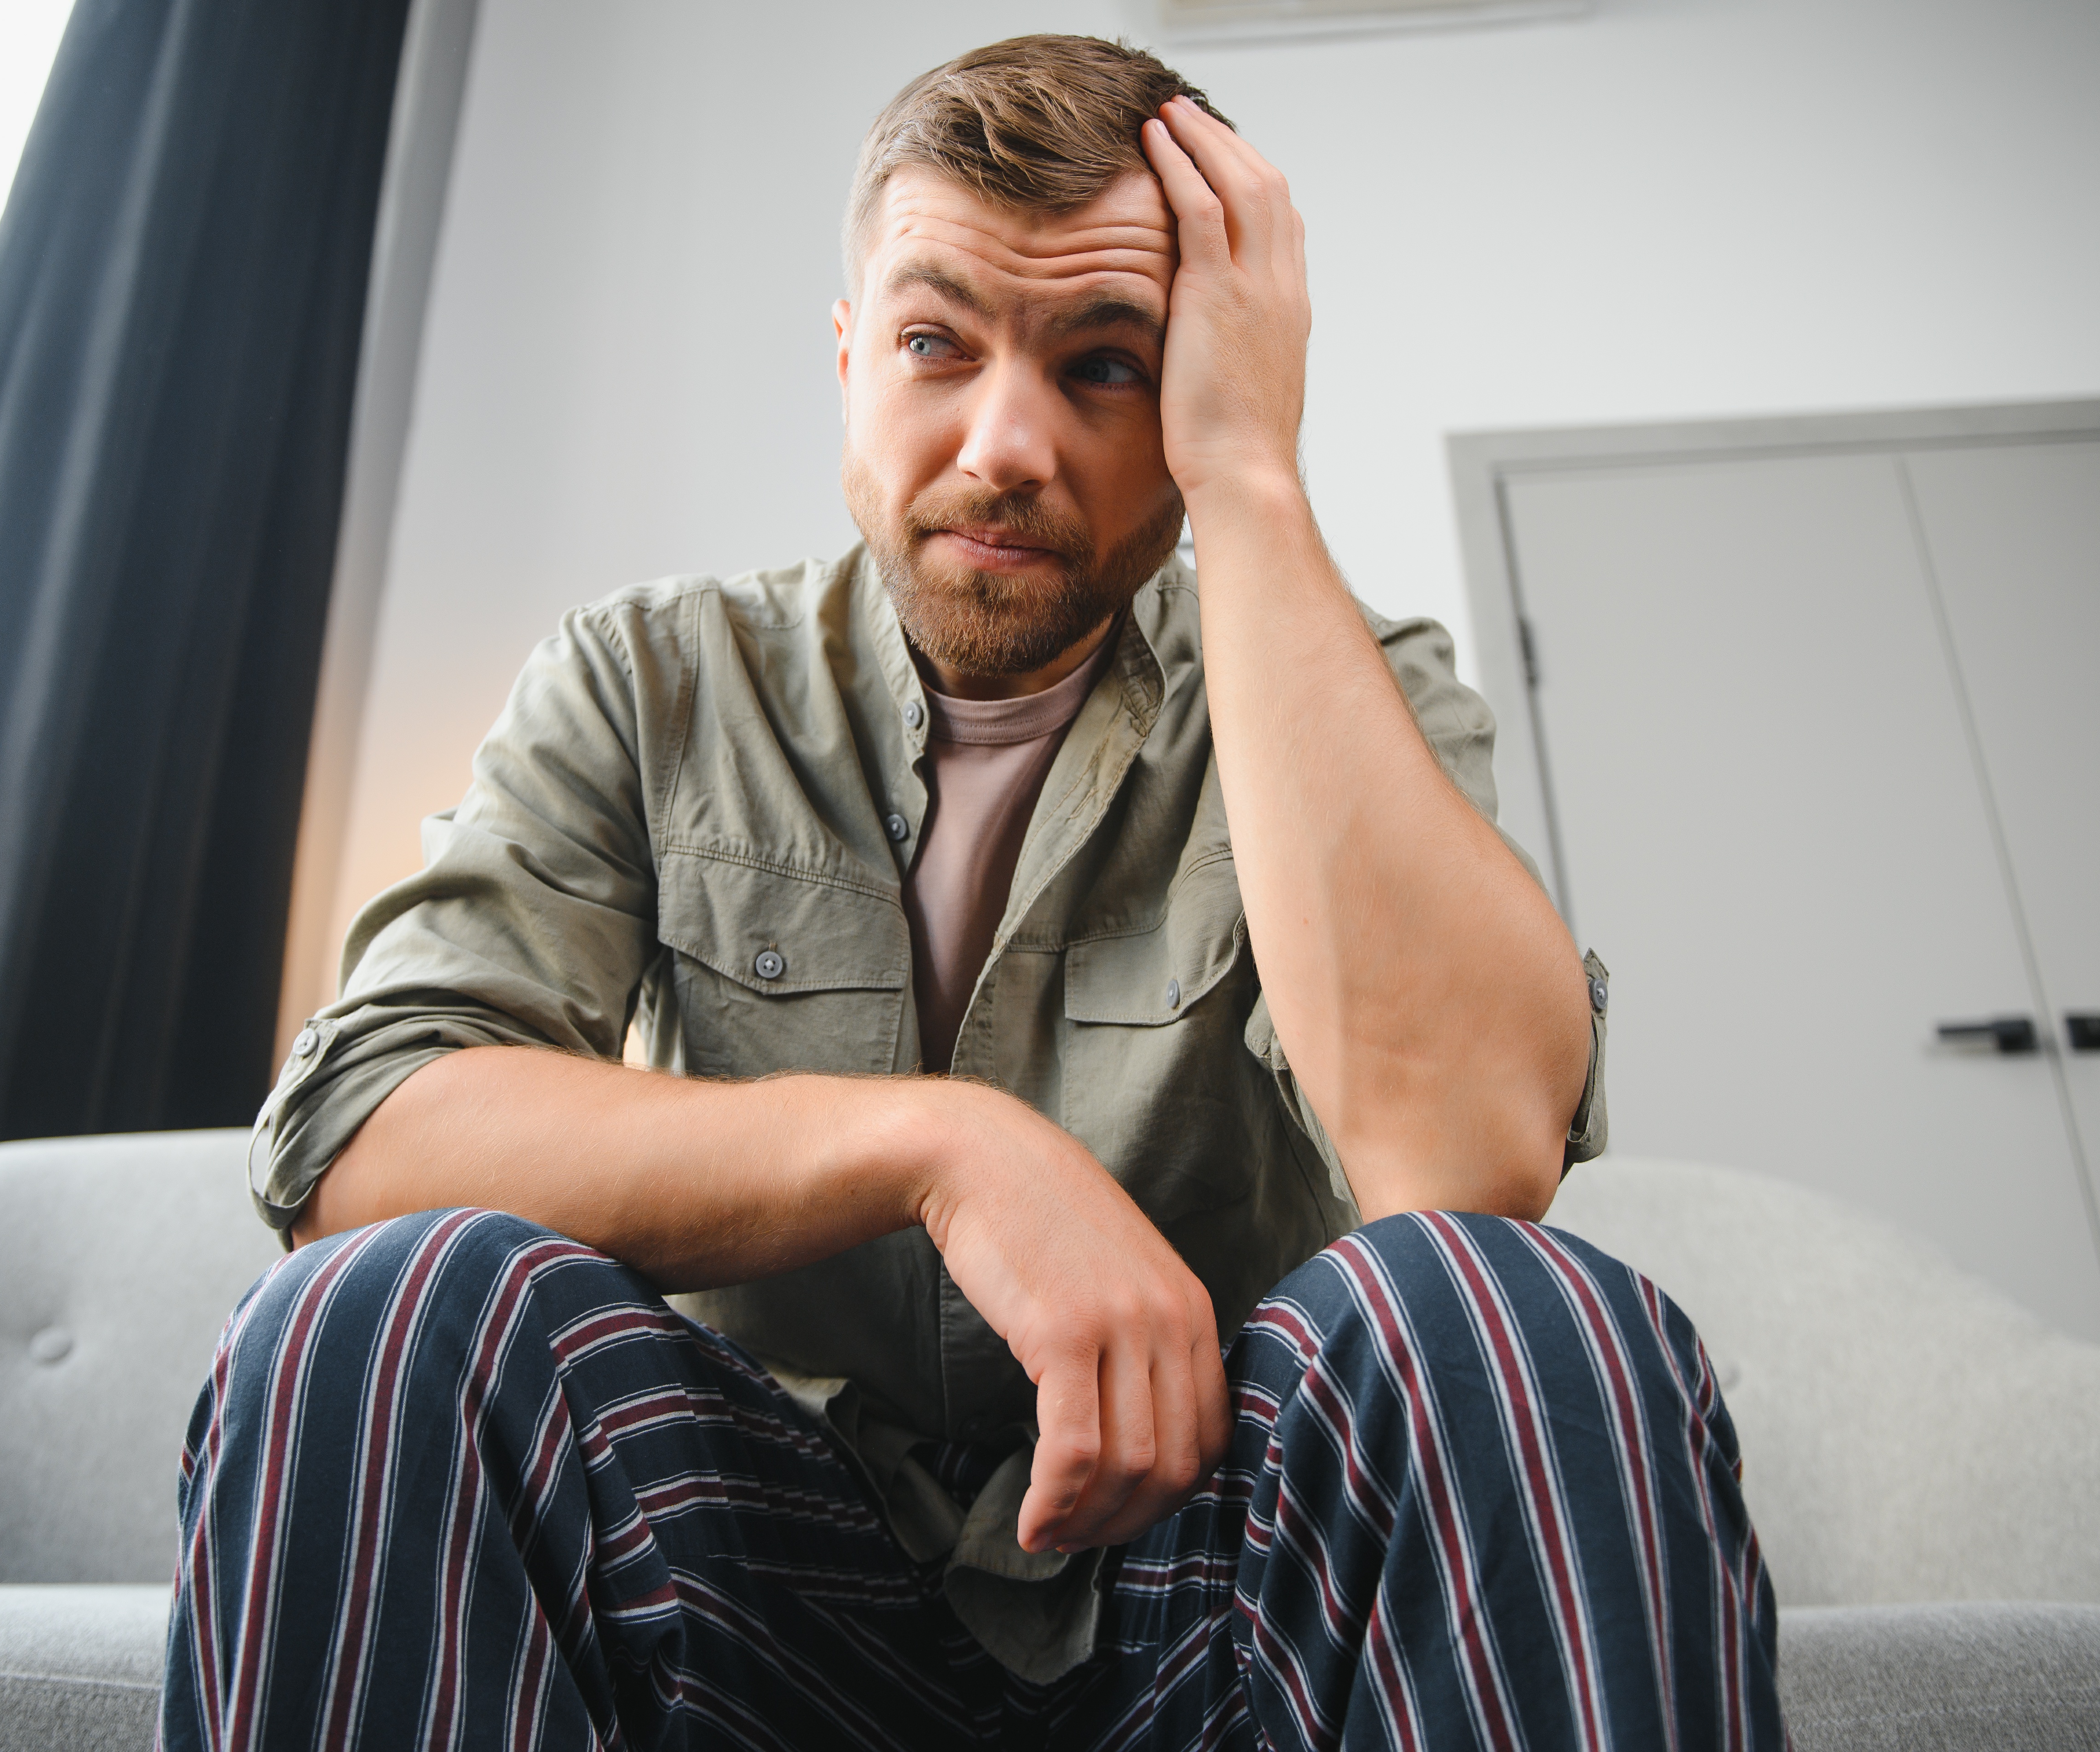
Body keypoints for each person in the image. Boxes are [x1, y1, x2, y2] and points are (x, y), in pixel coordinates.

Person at [162, 35, 1780, 1750]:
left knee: (1517, 1312)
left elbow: (1465, 1163)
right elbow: (364, 1135)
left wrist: (1250, 476)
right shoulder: (647, 682)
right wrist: (942, 1151)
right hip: (754, 1583)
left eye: (1105, 366)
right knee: (378, 1308)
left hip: (1210, 1595)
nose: (1005, 444)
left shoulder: (1354, 686)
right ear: (851, 354)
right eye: (937, 343)